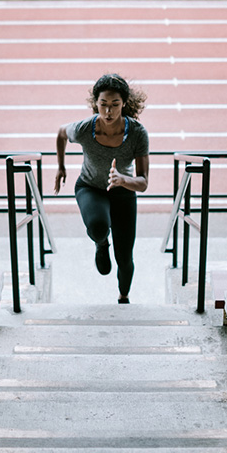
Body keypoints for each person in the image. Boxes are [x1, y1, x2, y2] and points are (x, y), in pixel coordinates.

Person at [54, 73, 149, 304]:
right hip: (90, 187)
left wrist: (122, 180)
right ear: (95, 103)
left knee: (124, 258)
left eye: (115, 105)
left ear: (124, 104)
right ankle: (101, 243)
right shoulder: (85, 128)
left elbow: (143, 182)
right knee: (98, 225)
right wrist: (61, 167)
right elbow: (61, 132)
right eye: (103, 105)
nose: (108, 112)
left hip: (123, 191)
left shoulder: (137, 133)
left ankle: (123, 296)